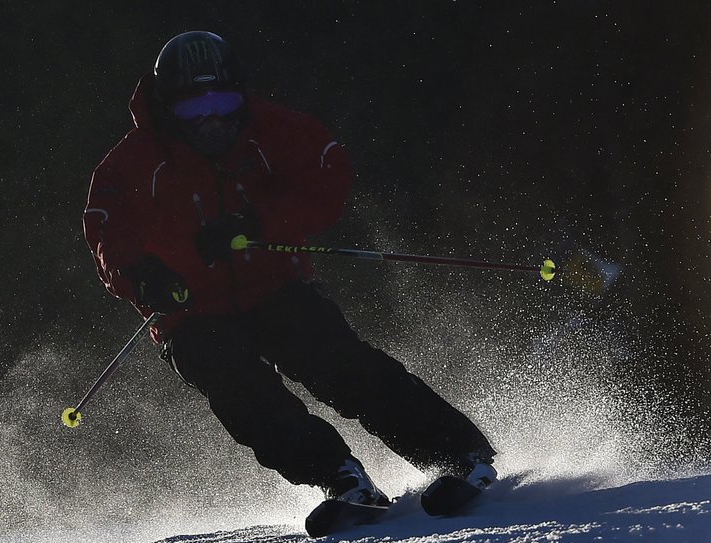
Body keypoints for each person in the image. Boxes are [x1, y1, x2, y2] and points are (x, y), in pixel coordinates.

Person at [84, 31, 496, 508]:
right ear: (165, 107)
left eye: (223, 101)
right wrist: (143, 277)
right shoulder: (131, 164)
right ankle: (340, 479)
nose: (213, 120)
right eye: (194, 109)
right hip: (190, 310)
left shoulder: (268, 128)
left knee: (341, 367)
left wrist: (259, 221)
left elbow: (327, 178)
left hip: (275, 284)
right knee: (244, 396)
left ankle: (461, 457)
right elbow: (105, 232)